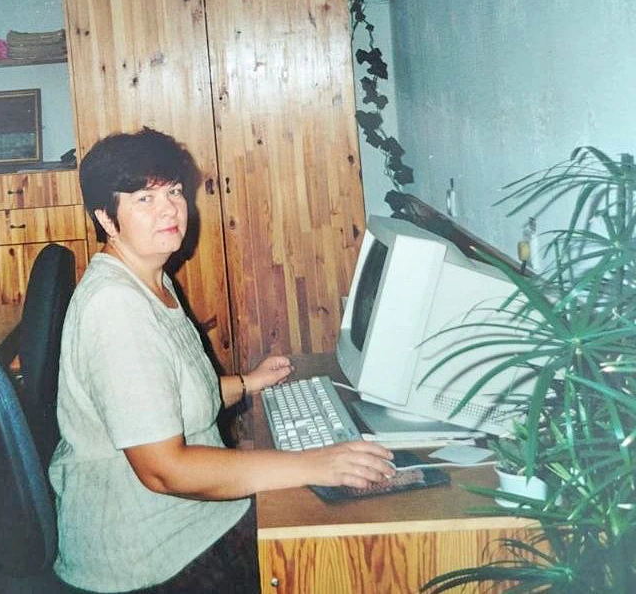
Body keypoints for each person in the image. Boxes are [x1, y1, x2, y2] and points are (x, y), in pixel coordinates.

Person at [48, 128, 394, 594]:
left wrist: (247, 383)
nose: (170, 209)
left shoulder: (151, 278)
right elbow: (164, 470)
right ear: (106, 219)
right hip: (147, 558)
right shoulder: (116, 308)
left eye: (173, 191)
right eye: (145, 199)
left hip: (187, 523)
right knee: (342, 552)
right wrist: (314, 464)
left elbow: (171, 396)